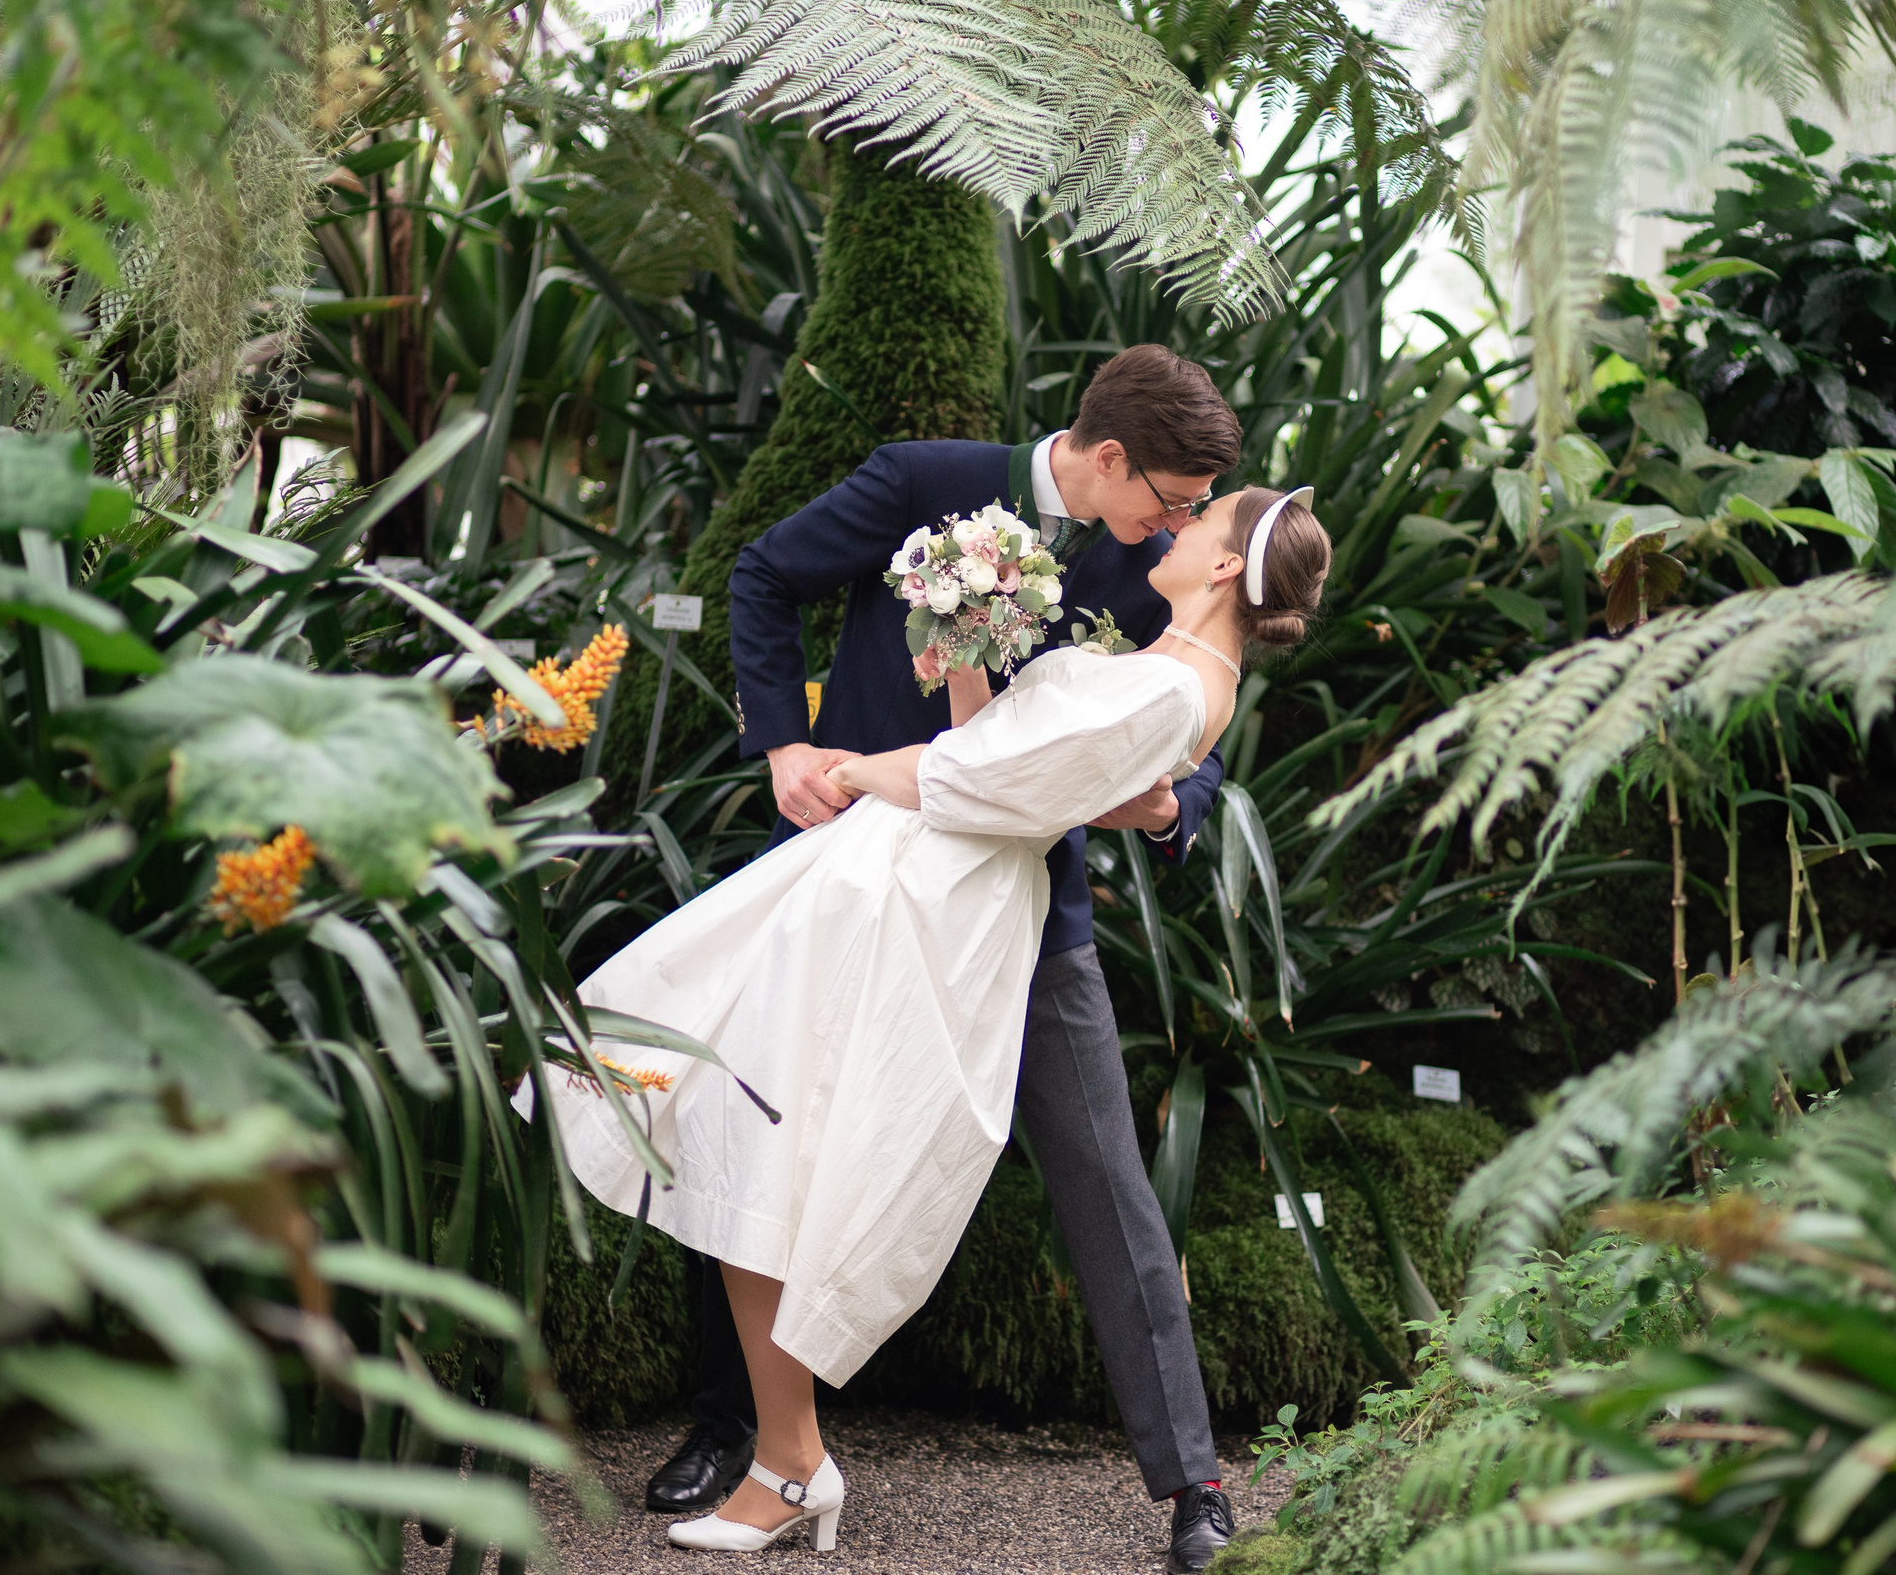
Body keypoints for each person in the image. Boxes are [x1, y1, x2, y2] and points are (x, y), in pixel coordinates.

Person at [536, 482, 1330, 1559]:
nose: (1180, 516)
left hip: (968, 898)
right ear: (1115, 458)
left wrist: (855, 769)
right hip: (903, 871)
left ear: (1229, 563)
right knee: (746, 1112)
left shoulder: (1166, 649)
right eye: (1176, 494)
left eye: (1202, 511)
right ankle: (762, 1438)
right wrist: (960, 634)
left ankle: (1189, 1479)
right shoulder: (966, 496)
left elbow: (1012, 772)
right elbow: (987, 733)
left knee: (1081, 1181)